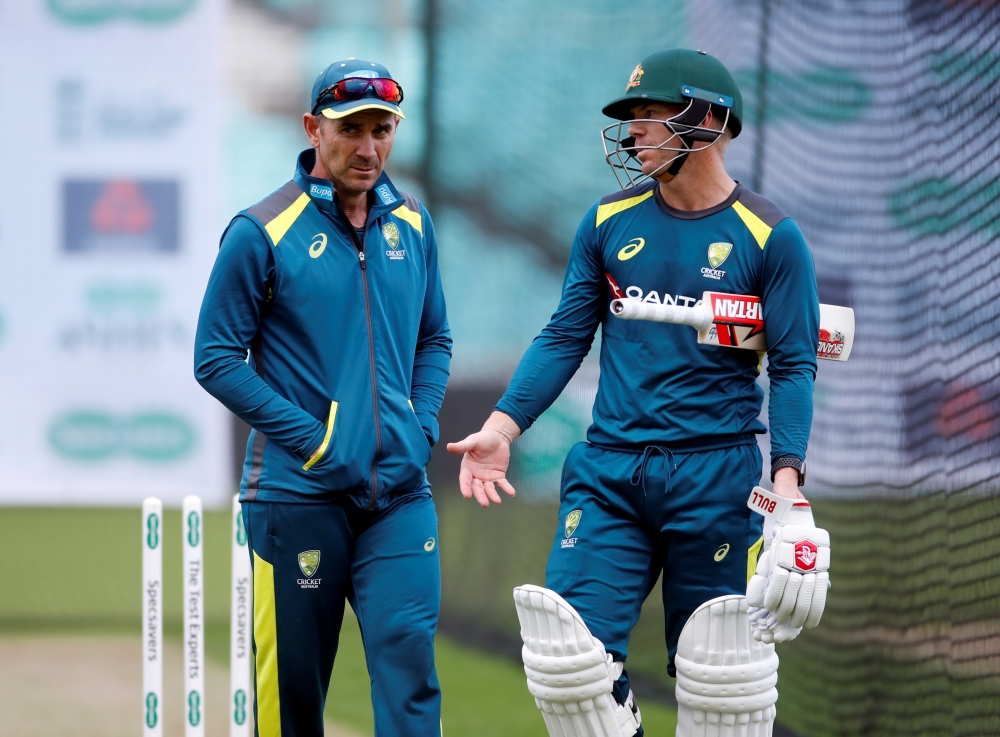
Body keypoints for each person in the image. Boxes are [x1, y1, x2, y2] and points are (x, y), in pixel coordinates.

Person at [448, 48, 829, 737]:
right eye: (632, 119)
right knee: (569, 663)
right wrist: (502, 428)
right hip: (612, 472)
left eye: (651, 116)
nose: (633, 133)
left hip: (717, 477)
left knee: (725, 690)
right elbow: (566, 335)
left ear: (709, 121)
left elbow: (796, 366)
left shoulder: (772, 238)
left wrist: (789, 487)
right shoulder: (607, 221)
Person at [195, 59, 450, 737]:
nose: (368, 149)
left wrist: (419, 427)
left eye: (382, 130)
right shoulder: (261, 231)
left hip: (399, 495)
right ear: (314, 128)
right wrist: (316, 440)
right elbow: (215, 358)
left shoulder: (413, 226)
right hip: (294, 497)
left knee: (410, 670)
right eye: (351, 130)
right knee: (292, 702)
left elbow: (435, 339)